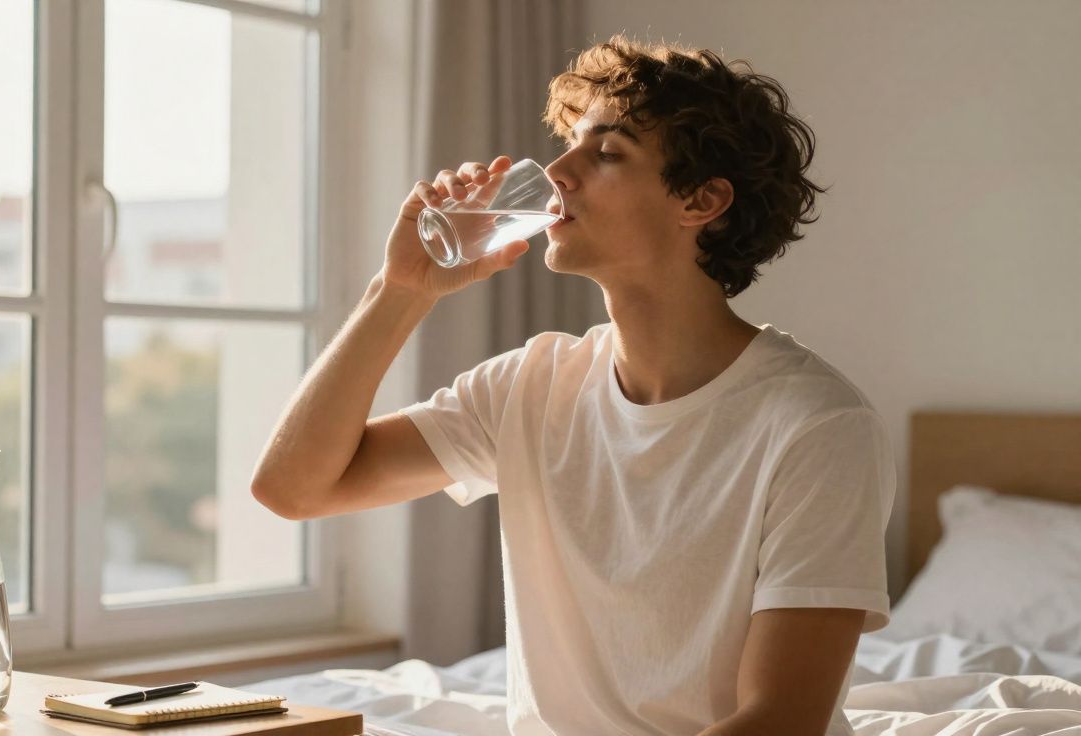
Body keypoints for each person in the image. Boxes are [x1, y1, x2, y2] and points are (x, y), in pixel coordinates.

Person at [252, 34, 895, 736]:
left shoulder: (816, 425)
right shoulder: (528, 387)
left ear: (702, 201)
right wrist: (399, 289)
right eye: (571, 144)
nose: (557, 170)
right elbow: (293, 489)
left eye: (608, 152)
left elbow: (780, 722)